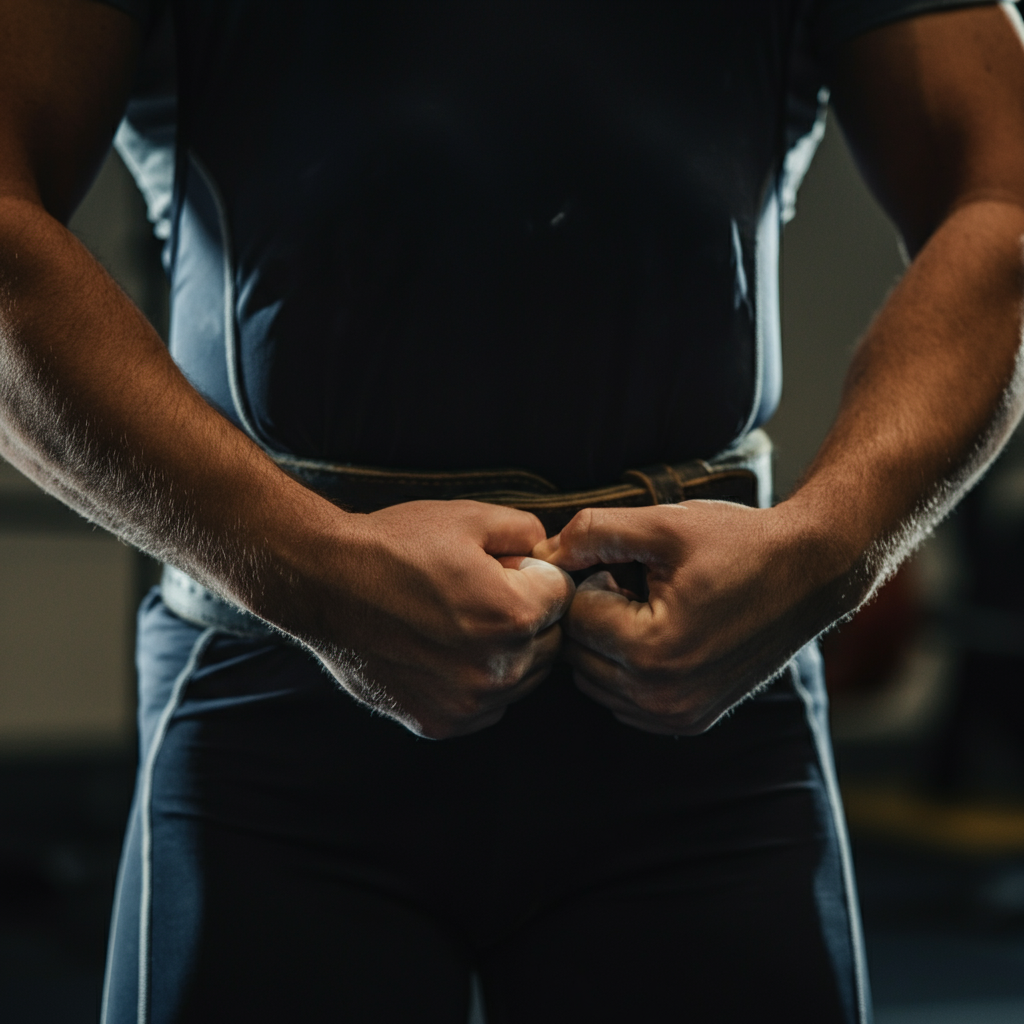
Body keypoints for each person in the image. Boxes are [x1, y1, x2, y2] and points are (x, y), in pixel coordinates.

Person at [2, 0, 1024, 1021]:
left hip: (701, 697)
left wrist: (829, 546)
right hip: (282, 705)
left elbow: (1005, 198)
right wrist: (304, 569)